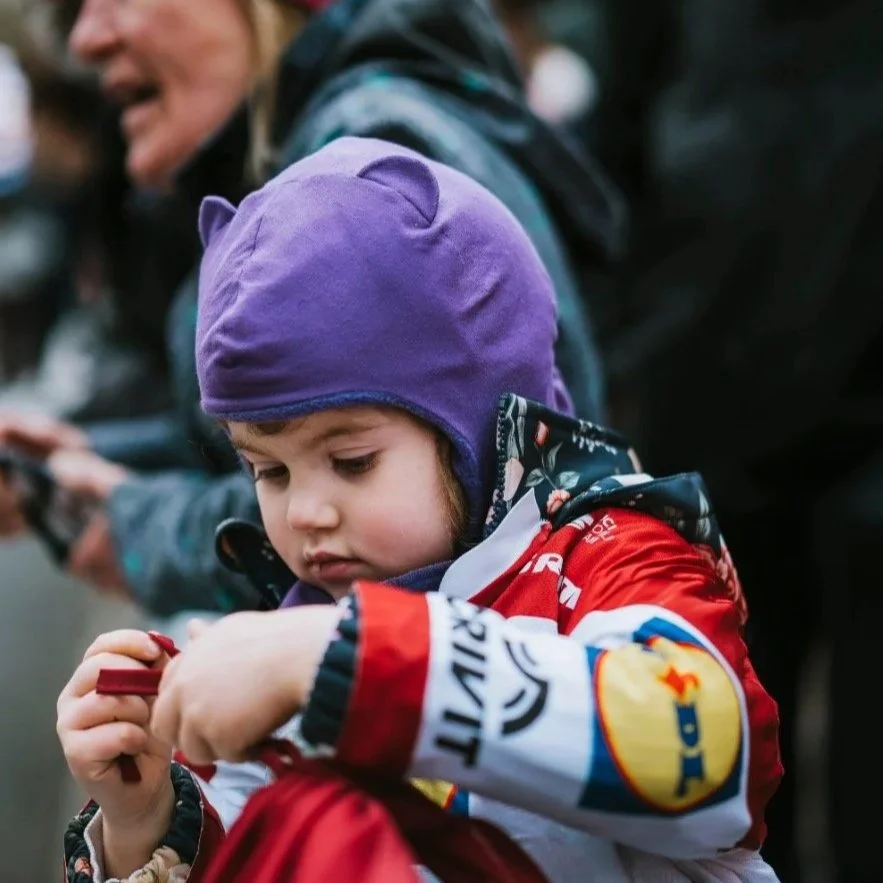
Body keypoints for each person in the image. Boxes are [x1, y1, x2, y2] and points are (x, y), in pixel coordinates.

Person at [57, 138, 781, 882]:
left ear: (474, 429)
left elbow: (701, 753)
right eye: (267, 471)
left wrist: (345, 658)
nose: (305, 510)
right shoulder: (298, 628)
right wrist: (143, 822)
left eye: (352, 461)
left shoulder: (611, 554)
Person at [0, 0, 623, 615]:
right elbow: (305, 433)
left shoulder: (372, 174)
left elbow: (458, 488)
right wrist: (87, 459)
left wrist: (139, 530)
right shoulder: (325, 157)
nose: (84, 38)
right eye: (265, 473)